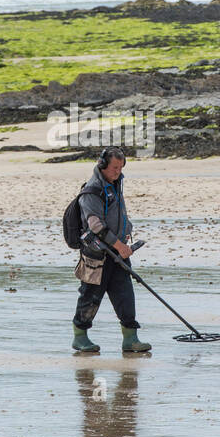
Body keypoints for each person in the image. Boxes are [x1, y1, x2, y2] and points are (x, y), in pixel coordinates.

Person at [71, 146, 152, 355]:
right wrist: (120, 247)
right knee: (90, 297)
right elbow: (95, 226)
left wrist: (126, 236)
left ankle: (131, 339)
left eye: (121, 168)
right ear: (102, 165)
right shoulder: (92, 191)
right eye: (114, 168)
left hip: (118, 254)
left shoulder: (115, 186)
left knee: (125, 295)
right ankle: (80, 338)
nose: (118, 172)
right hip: (96, 256)